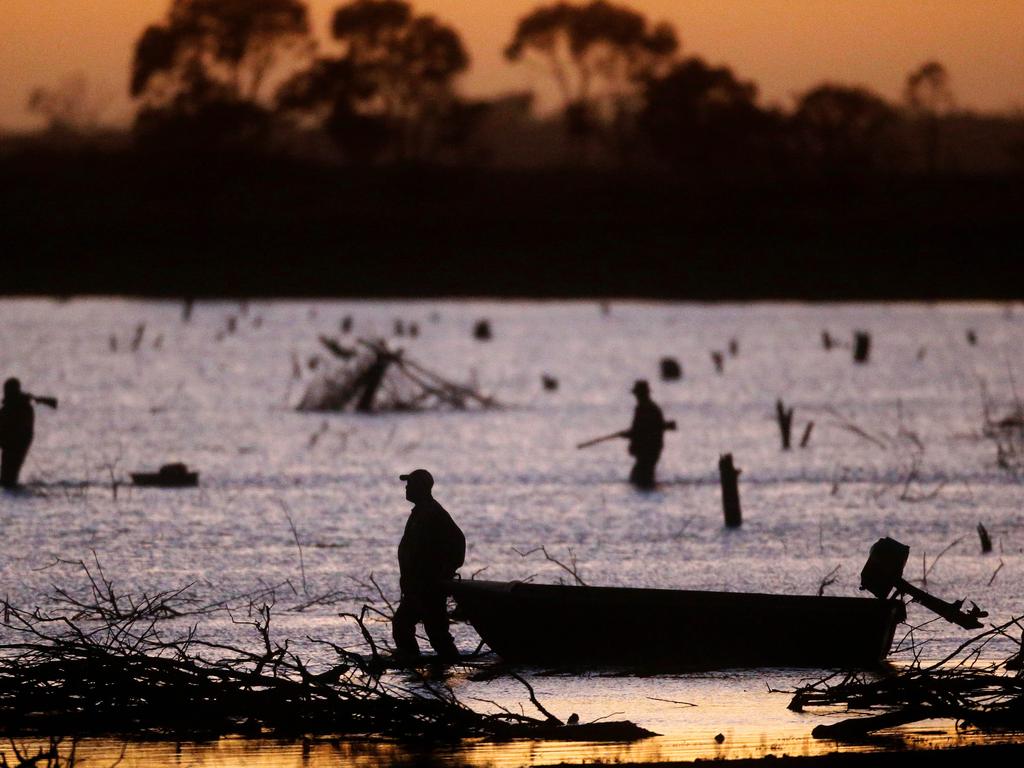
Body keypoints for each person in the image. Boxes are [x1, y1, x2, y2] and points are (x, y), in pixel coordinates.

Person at [392, 469, 465, 662]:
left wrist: (443, 574)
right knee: (407, 625)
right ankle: (414, 663)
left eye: (410, 485)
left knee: (432, 631)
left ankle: (440, 666)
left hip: (428, 587)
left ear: (421, 488)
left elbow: (458, 543)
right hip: (417, 587)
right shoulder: (421, 512)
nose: (406, 488)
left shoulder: (433, 513)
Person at [627, 380, 668, 489]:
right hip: (648, 451)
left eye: (638, 394)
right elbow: (638, 430)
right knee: (638, 477)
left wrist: (633, 436)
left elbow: (647, 431)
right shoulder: (644, 408)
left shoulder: (648, 409)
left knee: (640, 478)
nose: (636, 396)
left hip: (649, 451)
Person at [0, 378, 35, 489]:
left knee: (8, 479)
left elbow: (23, 429)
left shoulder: (23, 407)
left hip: (16, 445)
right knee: (7, 477)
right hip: (9, 443)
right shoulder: (10, 406)